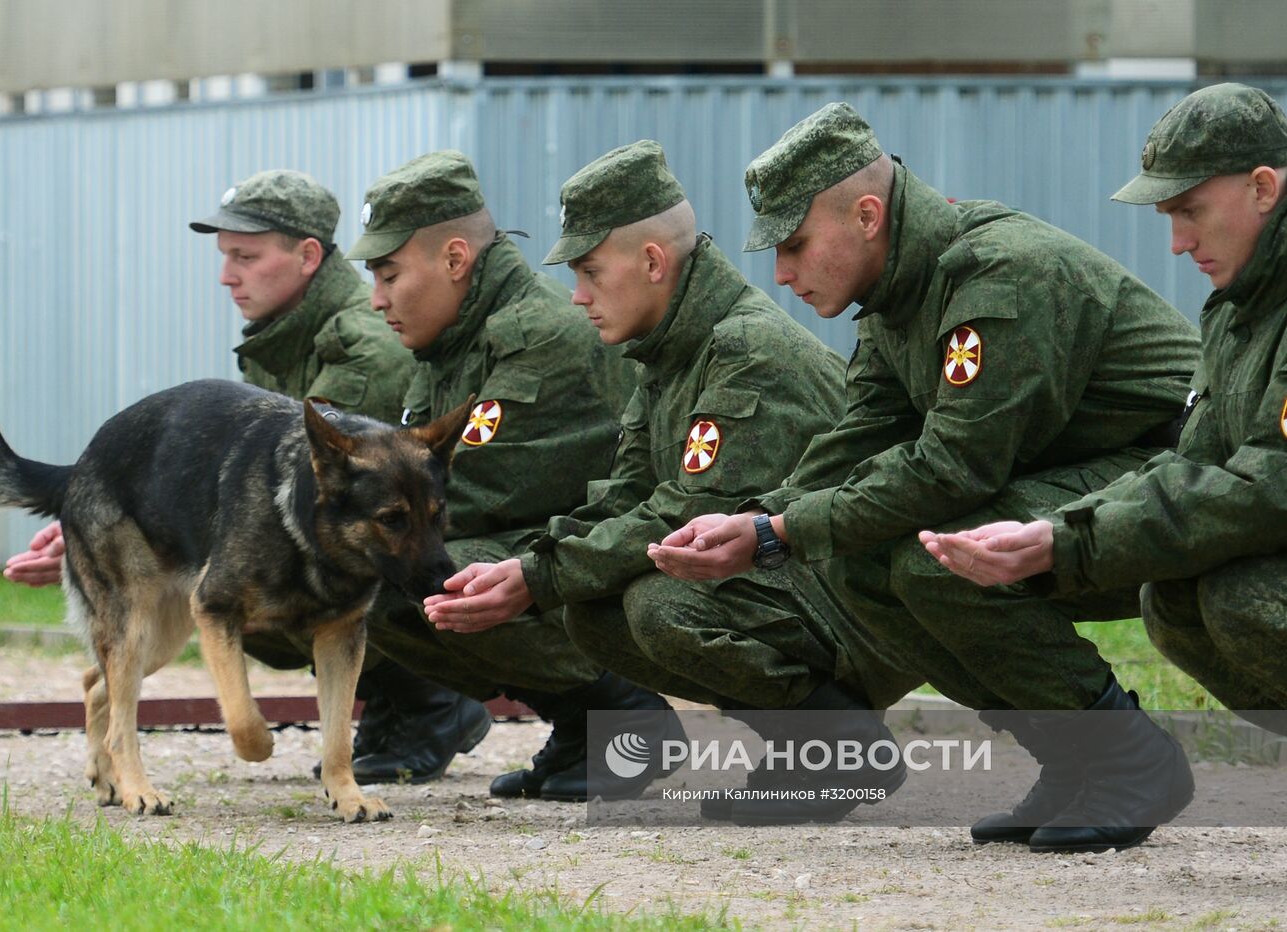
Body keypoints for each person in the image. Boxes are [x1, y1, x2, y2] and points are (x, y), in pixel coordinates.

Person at [648, 103, 1203, 853]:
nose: (780, 273)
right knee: (864, 553)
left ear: (868, 214)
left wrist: (776, 534)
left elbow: (954, 466)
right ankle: (1072, 758)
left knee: (936, 554)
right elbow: (858, 440)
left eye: (795, 245)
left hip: (1175, 484)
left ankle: (1128, 757)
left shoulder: (997, 273)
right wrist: (760, 516)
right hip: (1083, 483)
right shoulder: (895, 295)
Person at [423, 140, 920, 823]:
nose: (579, 296)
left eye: (591, 272)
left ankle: (844, 750)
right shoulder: (669, 351)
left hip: (874, 600)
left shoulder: (743, 349)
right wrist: (537, 567)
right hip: (811, 582)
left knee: (663, 602)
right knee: (589, 605)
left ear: (653, 263)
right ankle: (805, 747)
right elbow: (628, 494)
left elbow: (677, 514)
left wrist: (534, 577)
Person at [3, 170, 491, 784]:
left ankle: (430, 705)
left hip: (420, 531)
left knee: (324, 575)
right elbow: (230, 478)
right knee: (251, 584)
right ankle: (403, 704)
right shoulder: (283, 336)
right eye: (225, 257)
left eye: (245, 257)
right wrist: (103, 522)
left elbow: (332, 495)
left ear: (307, 256)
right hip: (369, 526)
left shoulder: (358, 351)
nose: (226, 275)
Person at [922, 83, 1287, 733]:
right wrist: (1059, 528)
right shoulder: (1241, 308)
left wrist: (1066, 541)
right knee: (1172, 599)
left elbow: (1269, 486)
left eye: (1191, 211)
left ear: (1263, 188)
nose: (1178, 242)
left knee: (1241, 598)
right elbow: (1192, 463)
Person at [345, 150, 666, 801]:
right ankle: (578, 722)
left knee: (397, 568)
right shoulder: (451, 341)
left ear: (455, 260)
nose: (376, 301)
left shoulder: (531, 338)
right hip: (579, 551)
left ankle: (625, 712)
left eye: (389, 275)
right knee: (373, 565)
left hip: (641, 559)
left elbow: (472, 499)